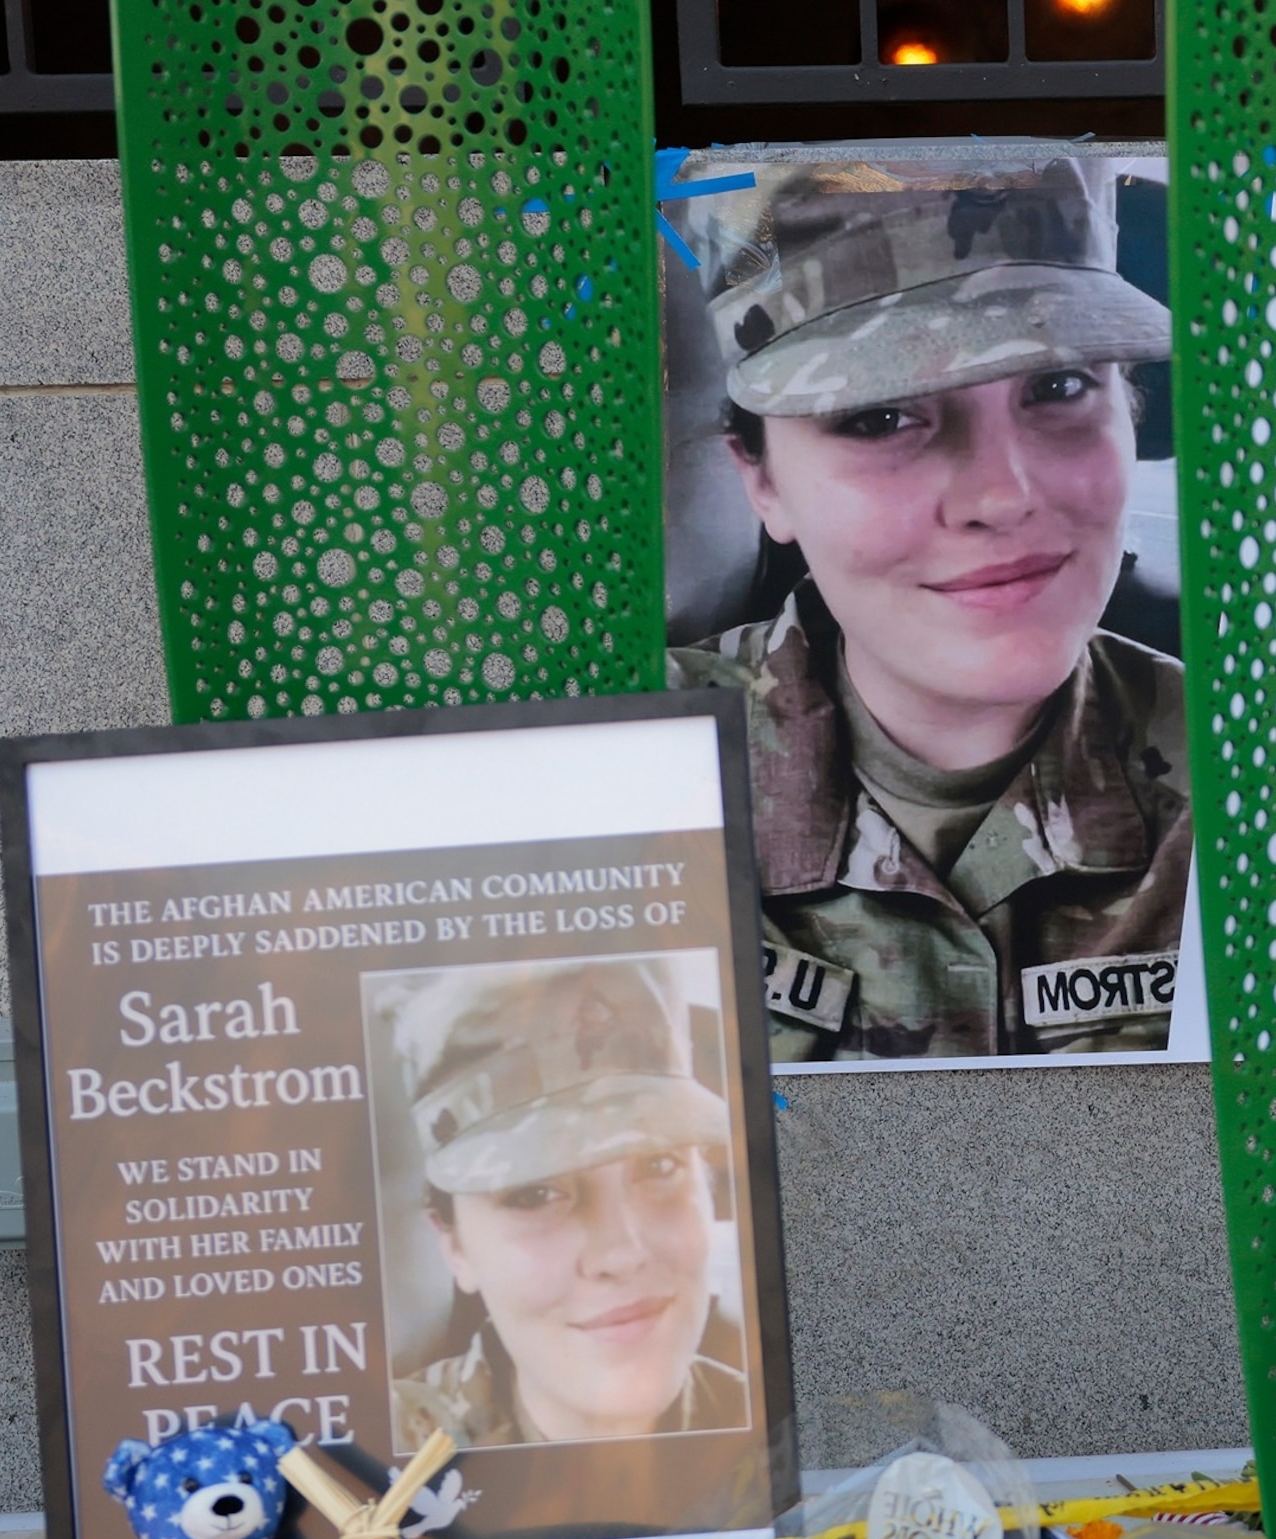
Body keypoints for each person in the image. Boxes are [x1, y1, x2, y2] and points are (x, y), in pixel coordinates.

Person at [668, 156, 1188, 1059]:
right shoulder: (627, 787)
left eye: (1060, 387)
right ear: (759, 478)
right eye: (878, 417)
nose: (1002, 494)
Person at [390, 959, 750, 1450]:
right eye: (535, 1193)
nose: (623, 1254)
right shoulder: (370, 1448)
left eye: (660, 1165)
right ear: (453, 1246)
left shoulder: (783, 1431)